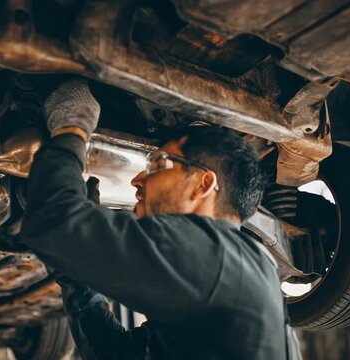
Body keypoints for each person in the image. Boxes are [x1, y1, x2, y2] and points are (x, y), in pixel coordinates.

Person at [21, 80, 290, 359]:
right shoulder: (240, 271)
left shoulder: (217, 256)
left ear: (203, 184)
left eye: (157, 164)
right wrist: (76, 255)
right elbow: (116, 353)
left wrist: (72, 126)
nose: (138, 180)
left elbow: (52, 221)